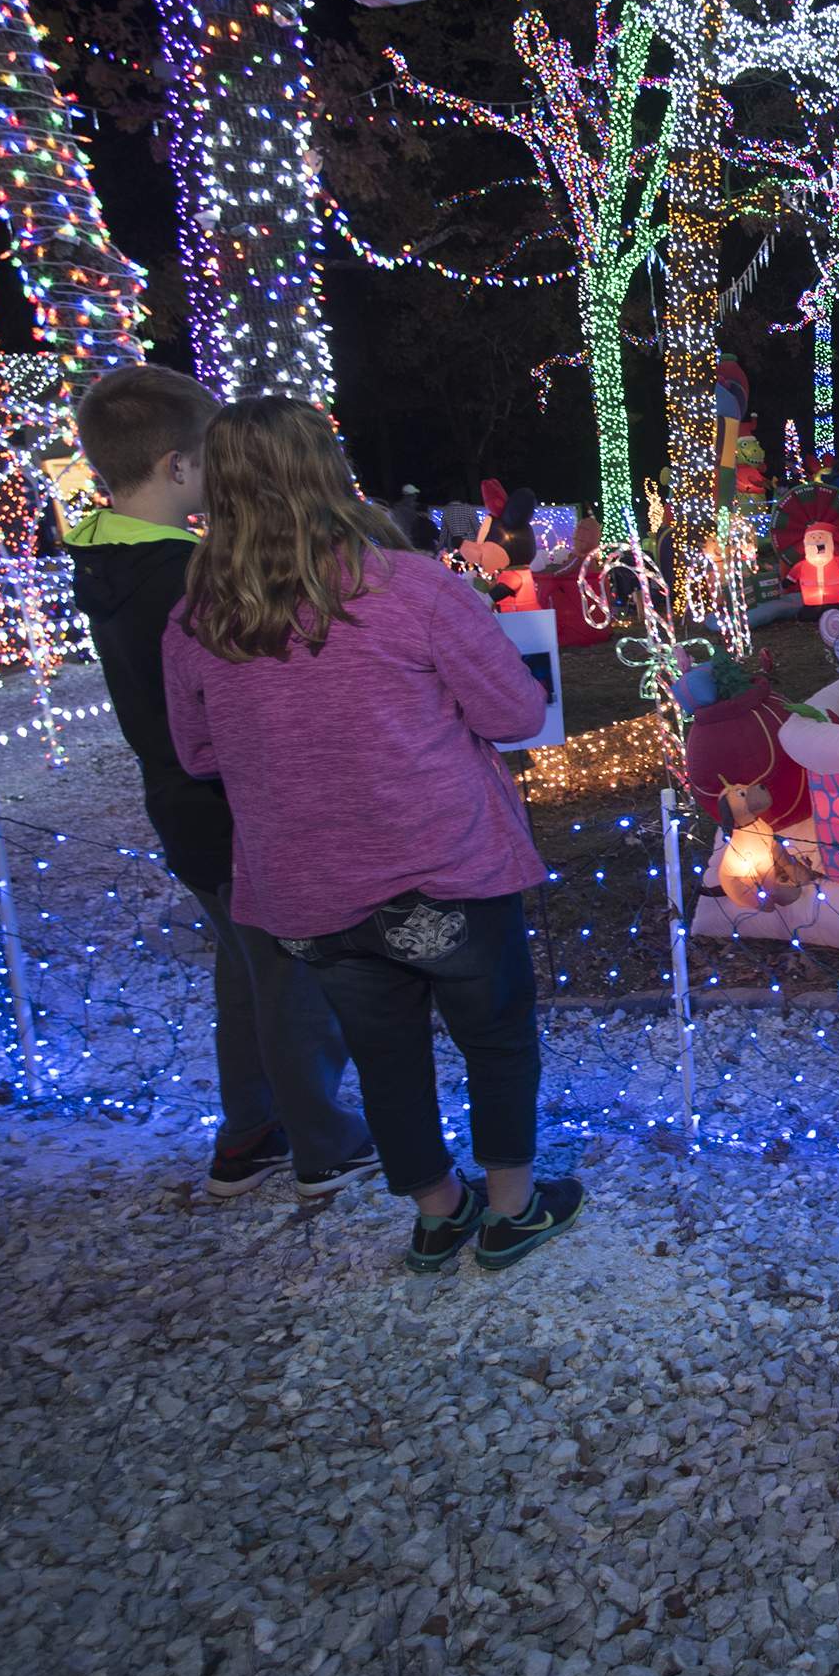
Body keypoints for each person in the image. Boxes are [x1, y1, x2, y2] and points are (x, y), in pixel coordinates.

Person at [160, 397, 580, 1275]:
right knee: (495, 1034)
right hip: (442, 863)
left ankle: (436, 1212)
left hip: (310, 888)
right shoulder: (412, 586)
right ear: (328, 474)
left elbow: (197, 751)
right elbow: (512, 709)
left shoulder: (199, 619)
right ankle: (511, 1206)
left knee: (384, 1055)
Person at [68, 368, 376, 1200]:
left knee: (247, 973)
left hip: (182, 806)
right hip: (236, 807)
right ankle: (322, 1142)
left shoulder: (105, 557)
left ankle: (251, 1130)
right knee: (292, 974)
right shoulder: (185, 578)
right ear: (177, 466)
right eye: (209, 458)